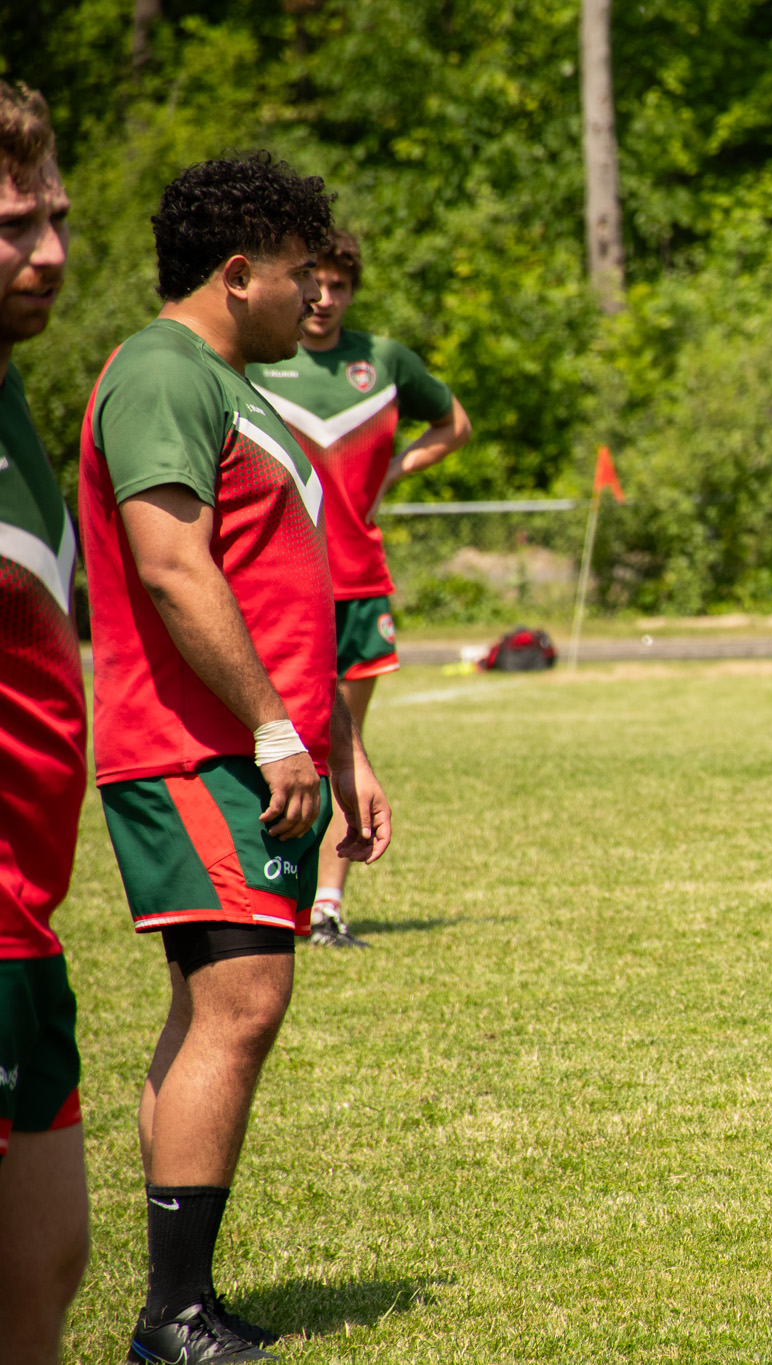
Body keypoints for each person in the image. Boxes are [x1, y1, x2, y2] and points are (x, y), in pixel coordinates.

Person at [78, 153, 393, 1362]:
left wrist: (340, 747)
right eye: (300, 274)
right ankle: (175, 1317)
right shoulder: (162, 372)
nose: (316, 297)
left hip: (261, 750)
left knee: (214, 1010)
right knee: (242, 1003)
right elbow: (170, 563)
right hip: (195, 751)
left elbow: (288, 586)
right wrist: (270, 727)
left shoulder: (231, 383)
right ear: (237, 272)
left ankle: (179, 1300)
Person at [251, 230, 470, 946]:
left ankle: (327, 906)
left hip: (359, 581)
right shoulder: (262, 360)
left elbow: (454, 423)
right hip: (279, 582)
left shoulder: (384, 360)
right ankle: (264, 893)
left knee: (345, 745)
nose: (324, 297)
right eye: (313, 281)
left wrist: (397, 473)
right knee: (274, 735)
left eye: (340, 284)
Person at [0, 82, 90, 1365]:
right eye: (14, 224)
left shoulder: (15, 392)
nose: (53, 252)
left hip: (28, 933)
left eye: (56, 216)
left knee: (45, 1266)